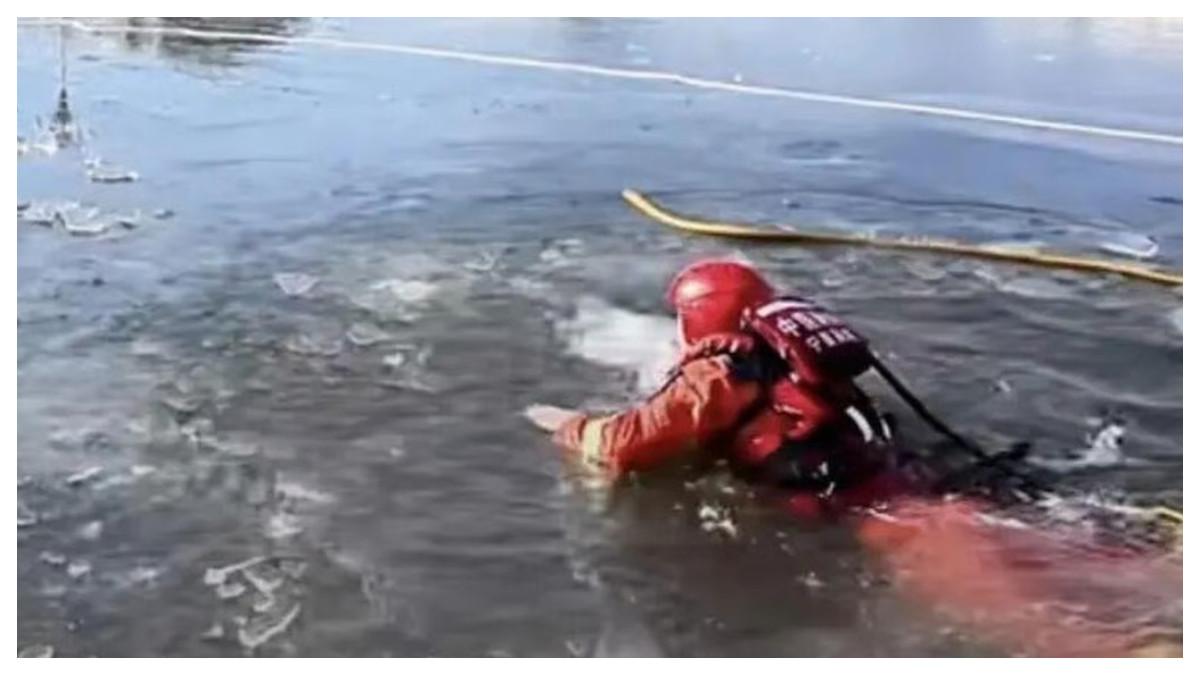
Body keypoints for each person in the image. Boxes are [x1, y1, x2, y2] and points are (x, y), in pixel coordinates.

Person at [525, 258, 908, 517]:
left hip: (833, 507)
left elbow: (621, 446)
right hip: (892, 480)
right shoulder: (795, 356)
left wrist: (565, 423)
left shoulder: (716, 375)